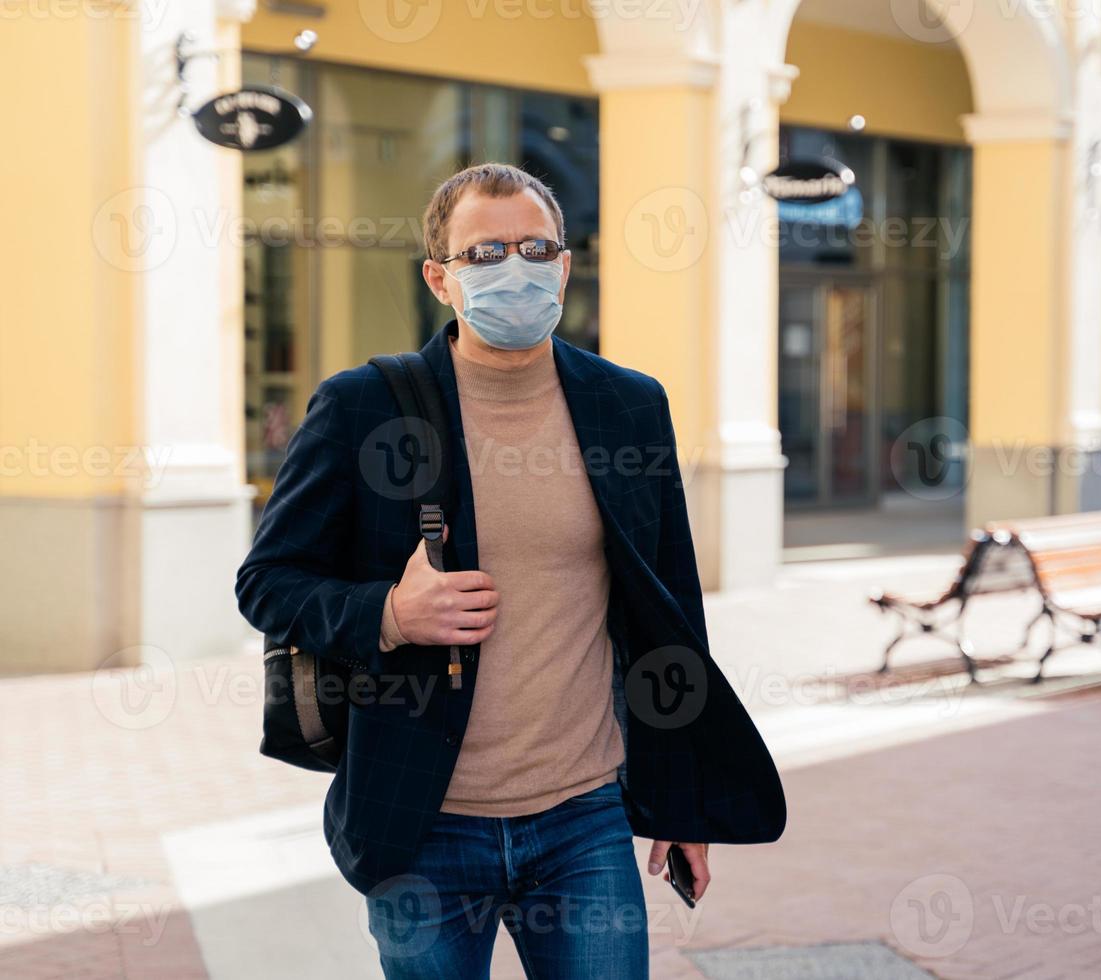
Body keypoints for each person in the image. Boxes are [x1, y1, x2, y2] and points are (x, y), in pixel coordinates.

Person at [236, 163, 785, 979]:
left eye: (534, 247)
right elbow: (268, 581)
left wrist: (681, 799)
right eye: (484, 253)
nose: (515, 268)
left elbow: (668, 615)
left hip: (583, 817)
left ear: (564, 265)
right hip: (421, 820)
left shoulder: (628, 405)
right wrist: (390, 613)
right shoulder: (365, 406)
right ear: (439, 279)